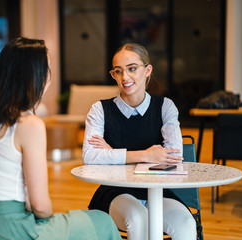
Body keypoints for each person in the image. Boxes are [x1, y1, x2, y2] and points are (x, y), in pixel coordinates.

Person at [0, 37, 121, 240]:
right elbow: (39, 205)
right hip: (7, 230)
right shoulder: (29, 124)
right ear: (34, 76)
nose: (50, 75)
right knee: (101, 221)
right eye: (47, 68)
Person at [82, 43, 196, 240]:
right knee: (138, 218)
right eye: (118, 71)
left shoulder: (165, 107)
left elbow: (174, 157)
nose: (125, 77)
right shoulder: (100, 110)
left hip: (157, 189)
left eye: (132, 69)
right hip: (114, 191)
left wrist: (112, 153)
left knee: (186, 222)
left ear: (147, 70)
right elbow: (90, 156)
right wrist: (146, 155)